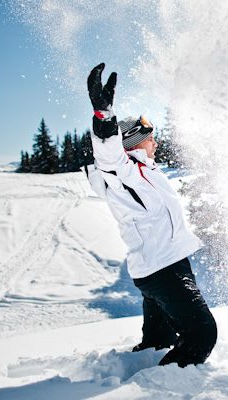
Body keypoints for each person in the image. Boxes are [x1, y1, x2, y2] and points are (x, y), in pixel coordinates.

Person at [85, 63, 217, 367]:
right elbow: (107, 155)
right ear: (132, 144)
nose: (155, 142)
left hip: (166, 264)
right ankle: (168, 385)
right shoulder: (122, 173)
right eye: (149, 138)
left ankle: (145, 372)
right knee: (201, 333)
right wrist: (104, 117)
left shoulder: (147, 170)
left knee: (160, 341)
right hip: (162, 269)